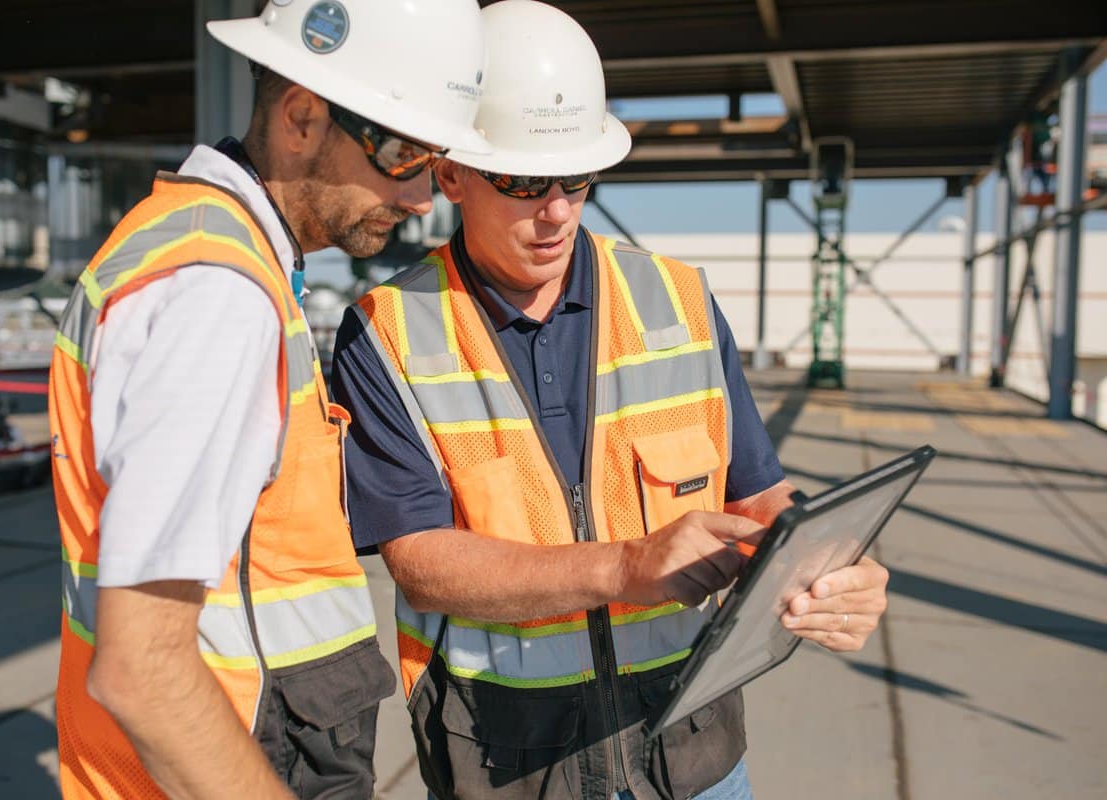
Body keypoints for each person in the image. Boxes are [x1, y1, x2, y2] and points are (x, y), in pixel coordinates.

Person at [330, 2, 890, 799]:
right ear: (449, 172)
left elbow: (762, 495)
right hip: (507, 763)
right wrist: (630, 566)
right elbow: (421, 565)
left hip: (693, 757)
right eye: (522, 180)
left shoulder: (681, 302)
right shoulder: (389, 334)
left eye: (577, 178)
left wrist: (839, 568)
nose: (555, 209)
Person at [47, 1, 490, 797]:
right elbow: (142, 666)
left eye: (438, 159)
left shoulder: (203, 246)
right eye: (403, 154)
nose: (426, 196)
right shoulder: (219, 294)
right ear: (301, 118)